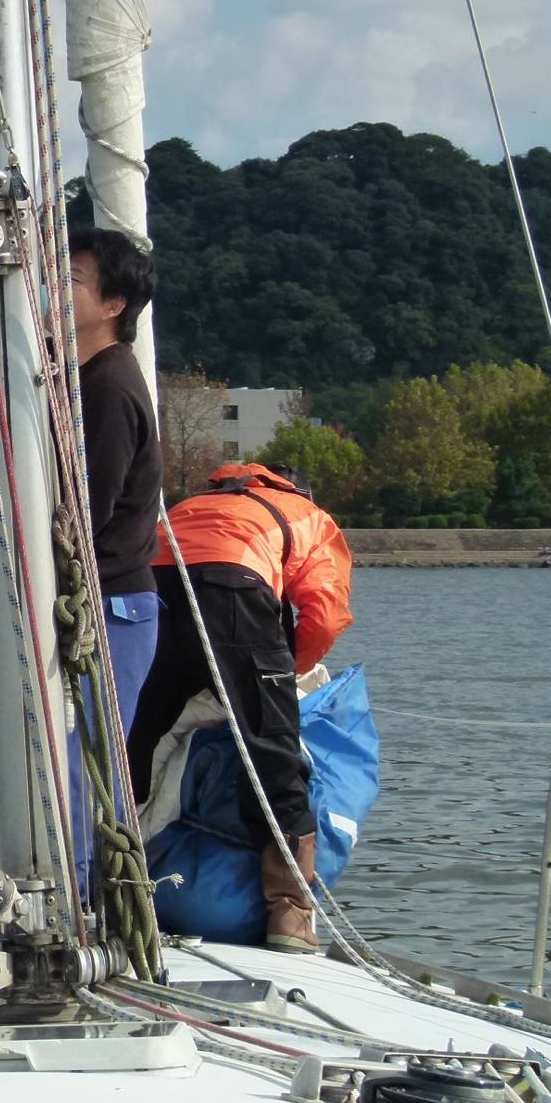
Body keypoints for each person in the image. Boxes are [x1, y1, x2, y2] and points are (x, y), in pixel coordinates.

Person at [126, 461, 355, 953]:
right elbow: (323, 615)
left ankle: (108, 882)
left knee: (135, 744)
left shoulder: (192, 505)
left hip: (152, 593)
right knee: (271, 752)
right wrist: (284, 677)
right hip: (234, 589)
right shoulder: (308, 516)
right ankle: (289, 916)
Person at [67, 228, 163, 732]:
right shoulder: (81, 378)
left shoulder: (108, 388)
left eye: (72, 279)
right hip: (94, 600)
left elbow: (90, 508)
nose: (54, 288)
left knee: (85, 761)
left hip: (111, 607)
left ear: (113, 305)